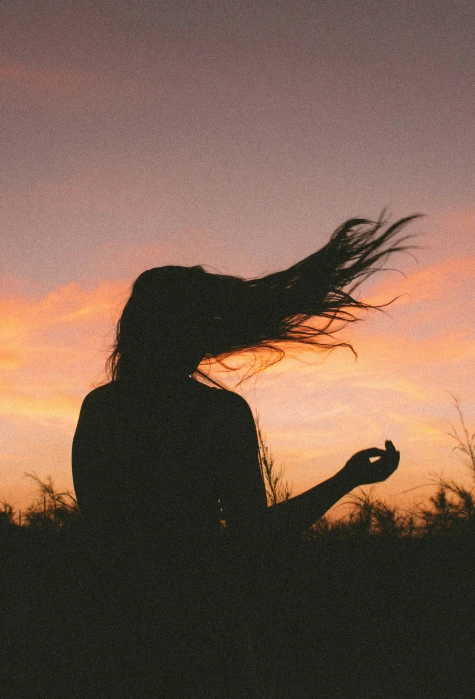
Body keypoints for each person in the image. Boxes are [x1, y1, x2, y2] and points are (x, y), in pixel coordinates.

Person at [71, 214, 418, 698]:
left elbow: (103, 530)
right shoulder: (218, 413)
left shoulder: (103, 409)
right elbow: (254, 535)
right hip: (205, 632)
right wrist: (346, 480)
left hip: (115, 634)